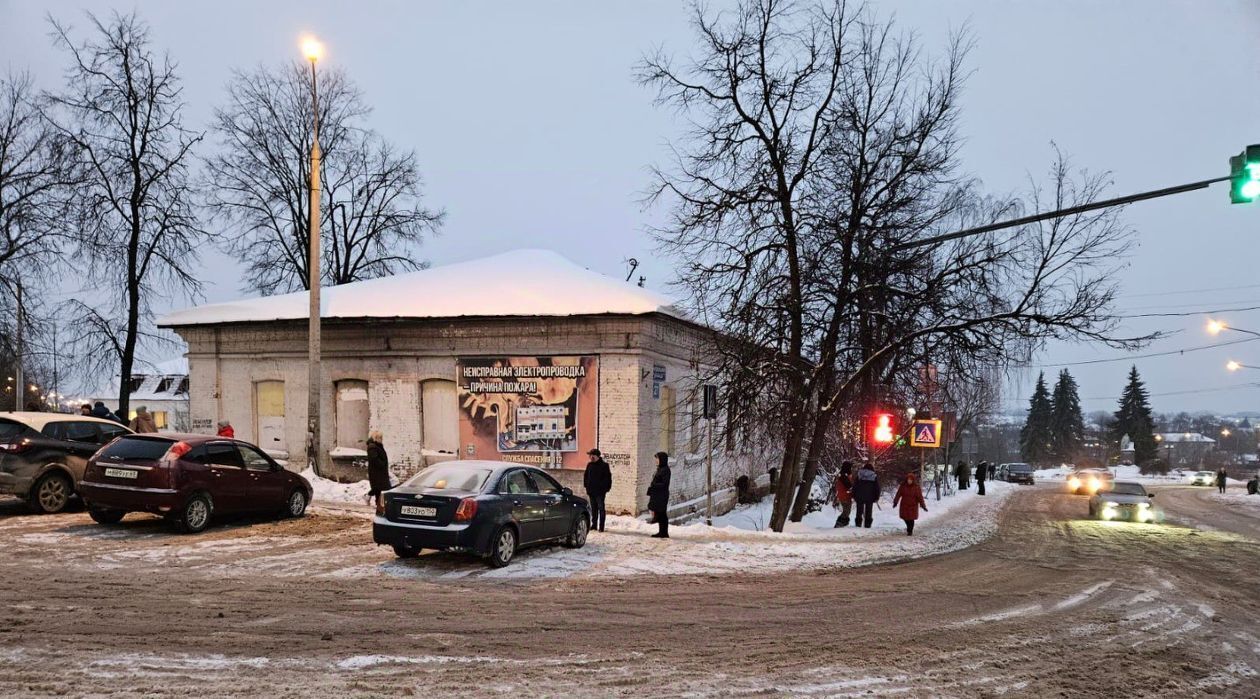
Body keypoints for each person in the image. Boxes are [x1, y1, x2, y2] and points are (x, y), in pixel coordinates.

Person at [583, 448, 612, 532]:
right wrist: (586, 485)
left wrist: (606, 489)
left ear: (597, 456)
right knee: (593, 509)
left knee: (601, 508)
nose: (591, 457)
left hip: (600, 492)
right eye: (590, 455)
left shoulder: (604, 465)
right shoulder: (589, 465)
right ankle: (594, 525)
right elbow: (586, 476)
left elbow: (608, 478)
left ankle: (601, 526)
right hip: (591, 491)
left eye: (592, 455)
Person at [647, 451, 671, 538]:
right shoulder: (660, 469)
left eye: (657, 459)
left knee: (662, 514)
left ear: (662, 460)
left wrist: (654, 485)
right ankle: (662, 532)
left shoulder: (665, 470)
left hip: (662, 495)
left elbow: (665, 484)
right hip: (658, 495)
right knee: (660, 513)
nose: (656, 461)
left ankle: (664, 532)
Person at [365, 431, 391, 510]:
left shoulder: (377, 446)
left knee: (379, 489)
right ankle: (379, 504)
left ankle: (378, 504)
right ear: (376, 438)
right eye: (380, 437)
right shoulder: (372, 447)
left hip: (380, 472)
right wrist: (382, 464)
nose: (381, 439)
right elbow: (374, 459)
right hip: (377, 472)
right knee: (381, 488)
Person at [852, 461, 880, 529]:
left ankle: (858, 524)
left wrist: (854, 495)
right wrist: (877, 496)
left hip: (859, 496)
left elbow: (855, 486)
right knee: (868, 511)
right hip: (870, 496)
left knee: (859, 511)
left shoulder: (859, 475)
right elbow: (877, 487)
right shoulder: (874, 476)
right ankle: (867, 525)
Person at [832, 461, 854, 527]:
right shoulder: (843, 476)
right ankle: (839, 524)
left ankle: (843, 524)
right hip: (845, 496)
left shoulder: (843, 475)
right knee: (846, 512)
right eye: (850, 467)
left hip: (844, 495)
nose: (851, 469)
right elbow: (849, 486)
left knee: (847, 511)